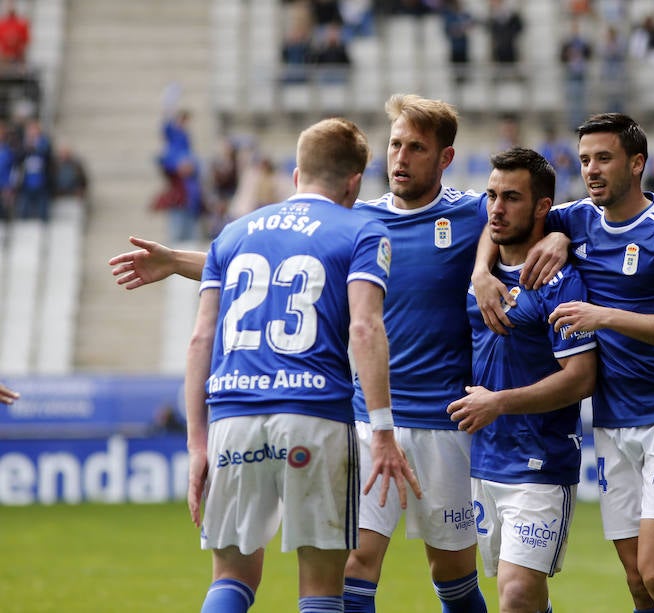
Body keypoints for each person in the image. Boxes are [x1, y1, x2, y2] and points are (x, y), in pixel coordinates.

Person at [109, 94, 491, 613]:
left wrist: (507, 261)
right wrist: (176, 260)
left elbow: (549, 225)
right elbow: (296, 267)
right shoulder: (364, 221)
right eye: (395, 144)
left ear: (444, 158)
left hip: (445, 423)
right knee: (351, 568)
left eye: (416, 148)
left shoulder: (475, 214)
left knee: (452, 575)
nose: (399, 158)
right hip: (362, 419)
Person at [473, 113, 654, 613]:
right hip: (612, 418)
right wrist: (482, 270)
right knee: (636, 581)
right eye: (584, 160)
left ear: (637, 163)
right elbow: (499, 220)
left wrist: (604, 316)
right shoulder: (575, 218)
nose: (591, 170)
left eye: (604, 158)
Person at [183, 116, 420, 613]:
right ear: (355, 182)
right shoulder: (362, 230)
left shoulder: (232, 234)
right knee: (320, 586)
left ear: (297, 174)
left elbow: (201, 336)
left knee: (231, 576)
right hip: (314, 415)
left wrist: (197, 443)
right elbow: (365, 328)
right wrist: (381, 431)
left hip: (233, 416)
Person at [447, 148, 597, 613]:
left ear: (541, 209)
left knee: (514, 593)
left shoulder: (559, 282)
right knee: (520, 598)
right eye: (492, 195)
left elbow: (581, 378)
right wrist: (478, 271)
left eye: (511, 197)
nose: (496, 207)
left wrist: (498, 403)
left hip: (540, 461)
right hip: (484, 459)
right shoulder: (483, 275)